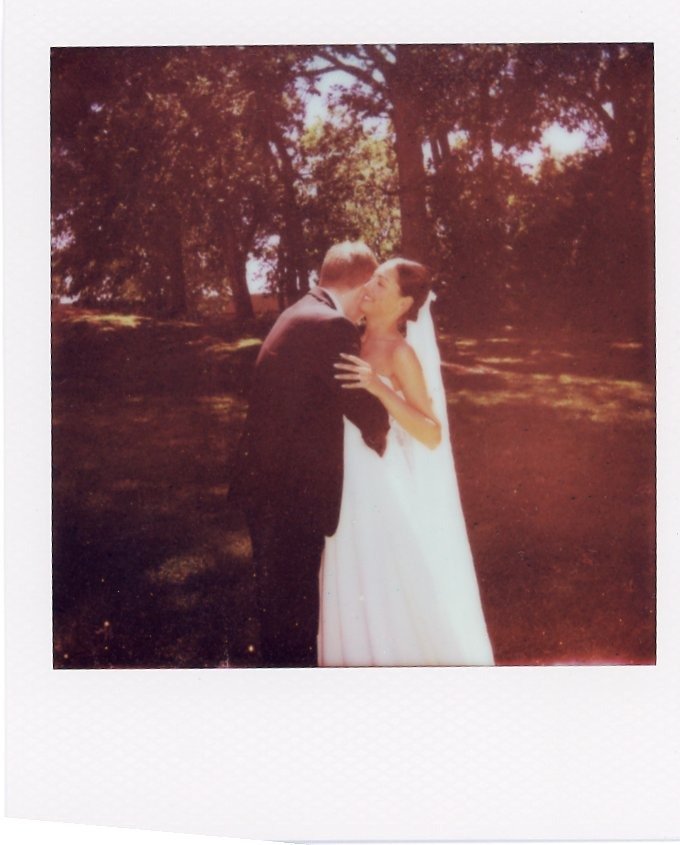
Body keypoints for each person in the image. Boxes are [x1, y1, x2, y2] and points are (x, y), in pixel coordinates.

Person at [318, 257, 495, 667]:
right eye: (371, 281)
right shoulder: (349, 337)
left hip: (380, 483)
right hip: (343, 480)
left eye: (380, 284)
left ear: (402, 304)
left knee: (385, 578)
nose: (368, 289)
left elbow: (432, 433)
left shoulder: (400, 353)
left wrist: (380, 389)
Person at [230, 242, 390, 668]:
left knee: (279, 616)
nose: (368, 304)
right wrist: (392, 435)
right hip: (288, 498)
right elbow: (364, 408)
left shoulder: (301, 310)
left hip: (267, 487)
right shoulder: (331, 324)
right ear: (360, 286)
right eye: (370, 292)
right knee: (292, 624)